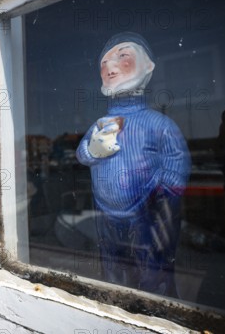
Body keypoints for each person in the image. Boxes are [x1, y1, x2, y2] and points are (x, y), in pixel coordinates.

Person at [76, 32, 191, 297]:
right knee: (113, 273)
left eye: (122, 55)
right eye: (103, 64)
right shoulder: (102, 124)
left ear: (147, 65)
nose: (109, 67)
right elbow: (83, 154)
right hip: (106, 215)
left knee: (153, 276)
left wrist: (163, 198)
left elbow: (176, 163)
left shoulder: (159, 124)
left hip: (147, 214)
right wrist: (92, 150)